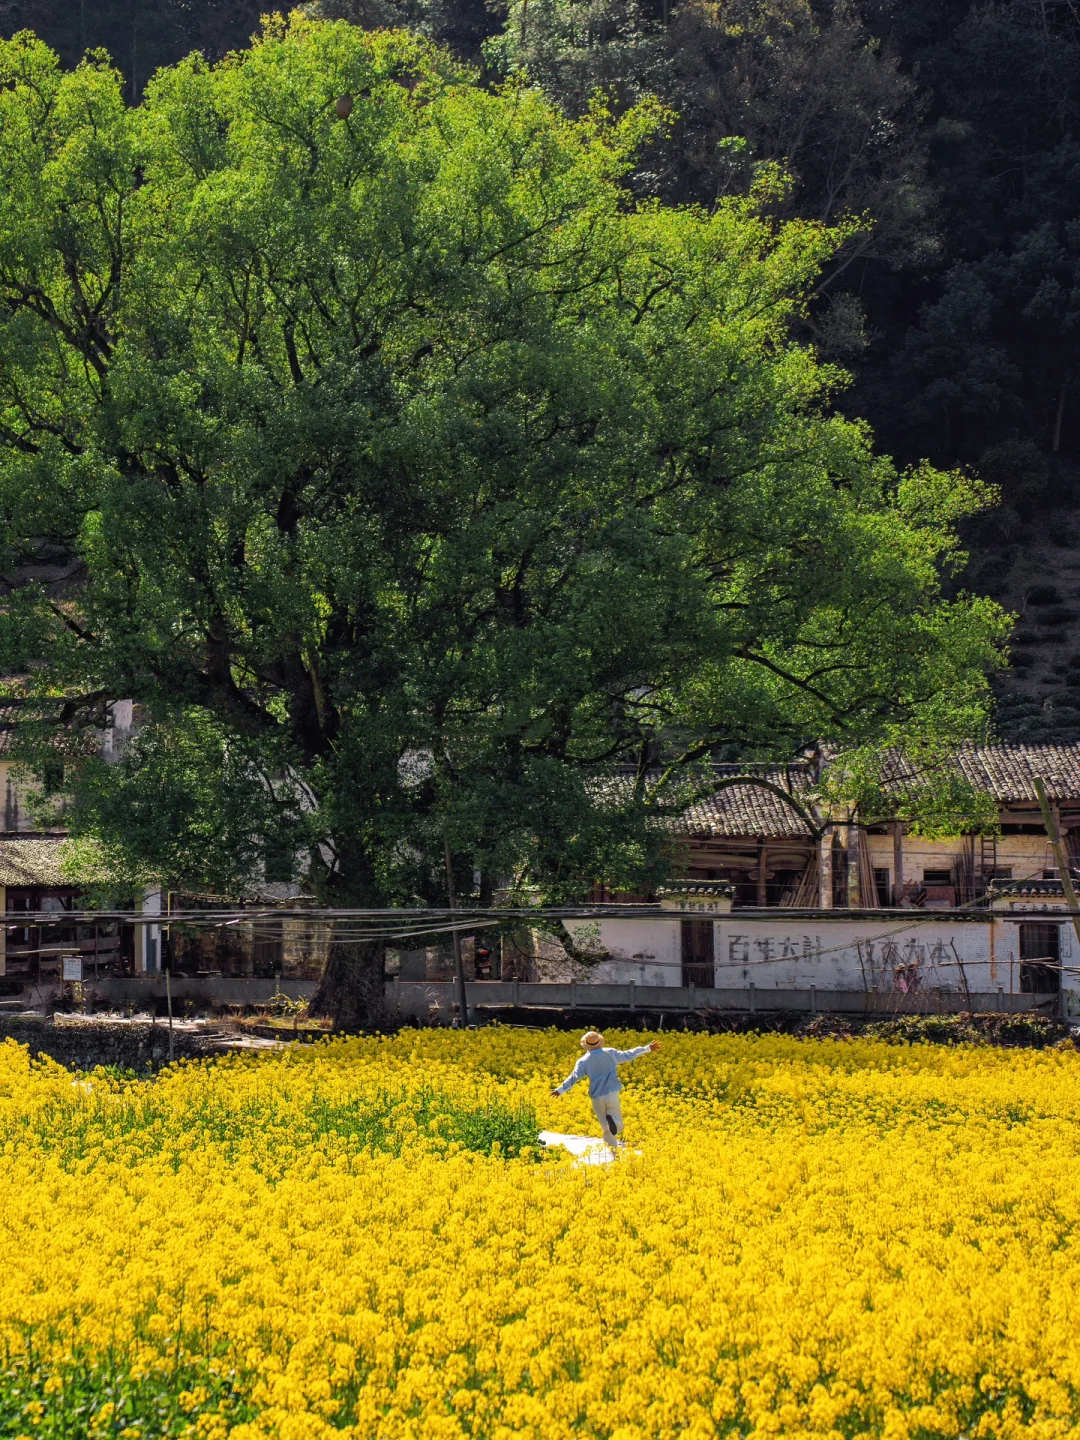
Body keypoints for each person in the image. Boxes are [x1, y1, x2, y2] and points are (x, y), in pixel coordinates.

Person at [550, 1031, 660, 1149]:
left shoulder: (583, 1061)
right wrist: (647, 1048)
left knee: (605, 1126)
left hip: (597, 1097)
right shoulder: (610, 1053)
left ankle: (613, 1152)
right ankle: (615, 1125)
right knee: (617, 1124)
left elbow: (573, 1077)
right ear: (599, 1042)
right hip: (611, 1093)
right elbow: (628, 1054)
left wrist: (560, 1090)